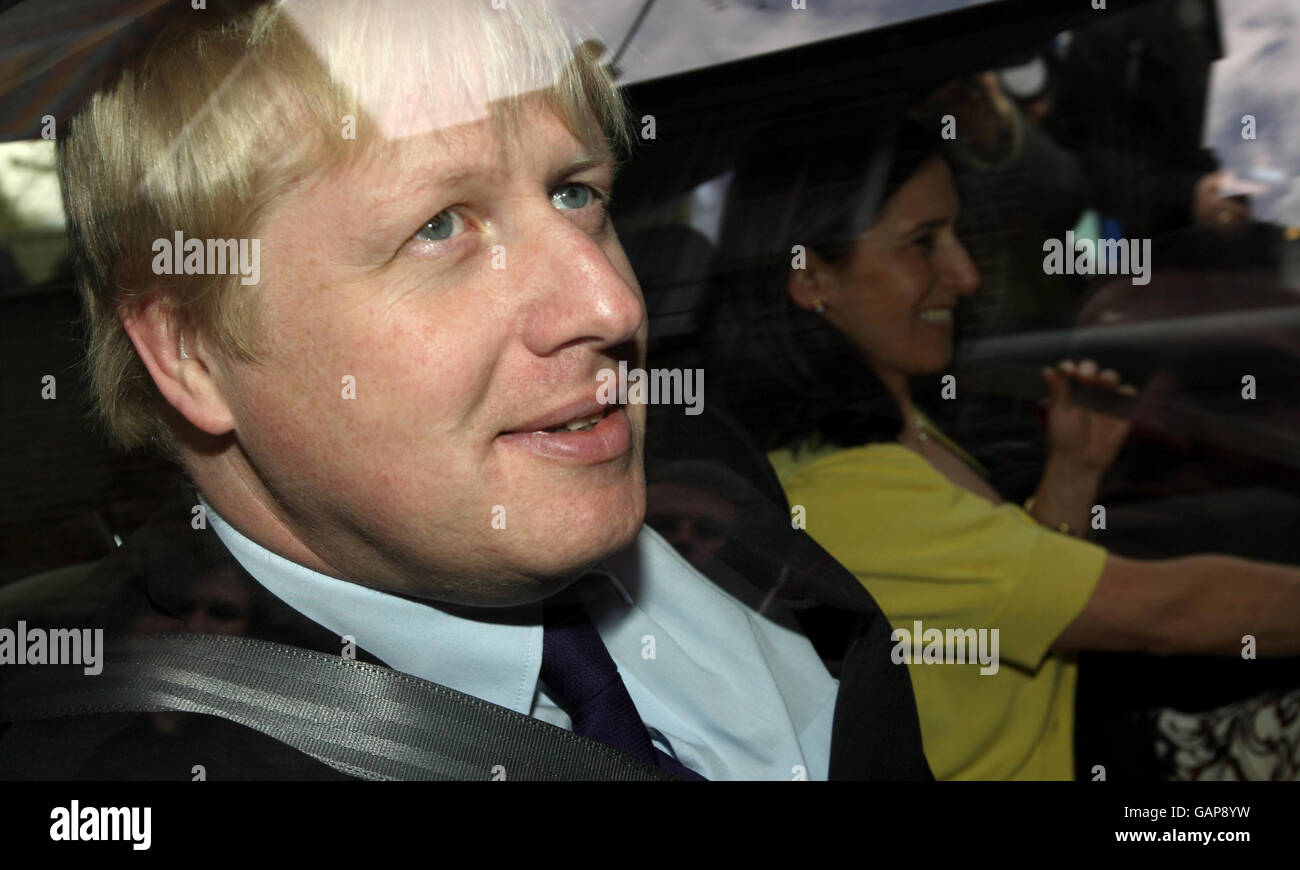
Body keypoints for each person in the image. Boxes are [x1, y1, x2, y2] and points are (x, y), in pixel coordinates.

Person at [0, 0, 931, 781]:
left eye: (575, 193)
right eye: (439, 226)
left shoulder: (713, 482)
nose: (611, 303)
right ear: (191, 354)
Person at [704, 116, 1300, 780]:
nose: (964, 274)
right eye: (923, 243)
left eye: (955, 235)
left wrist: (1073, 473)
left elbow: (1012, 596)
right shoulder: (850, 491)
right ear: (812, 277)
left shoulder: (891, 430)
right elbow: (1167, 611)